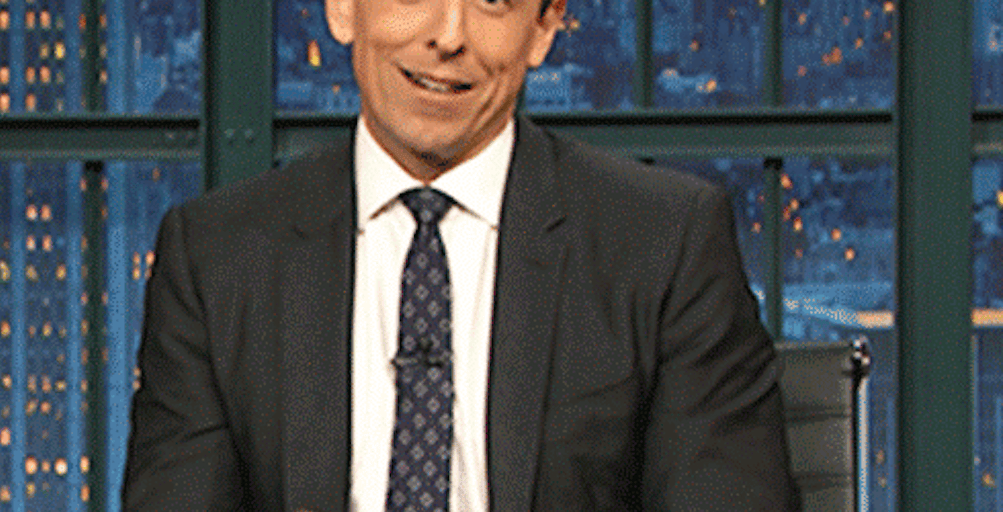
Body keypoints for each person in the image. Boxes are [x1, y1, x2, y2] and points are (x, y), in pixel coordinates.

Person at [122, 0, 799, 507]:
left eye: (493, 2)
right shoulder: (216, 257)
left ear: (544, 27)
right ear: (342, 8)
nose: (449, 35)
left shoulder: (665, 243)